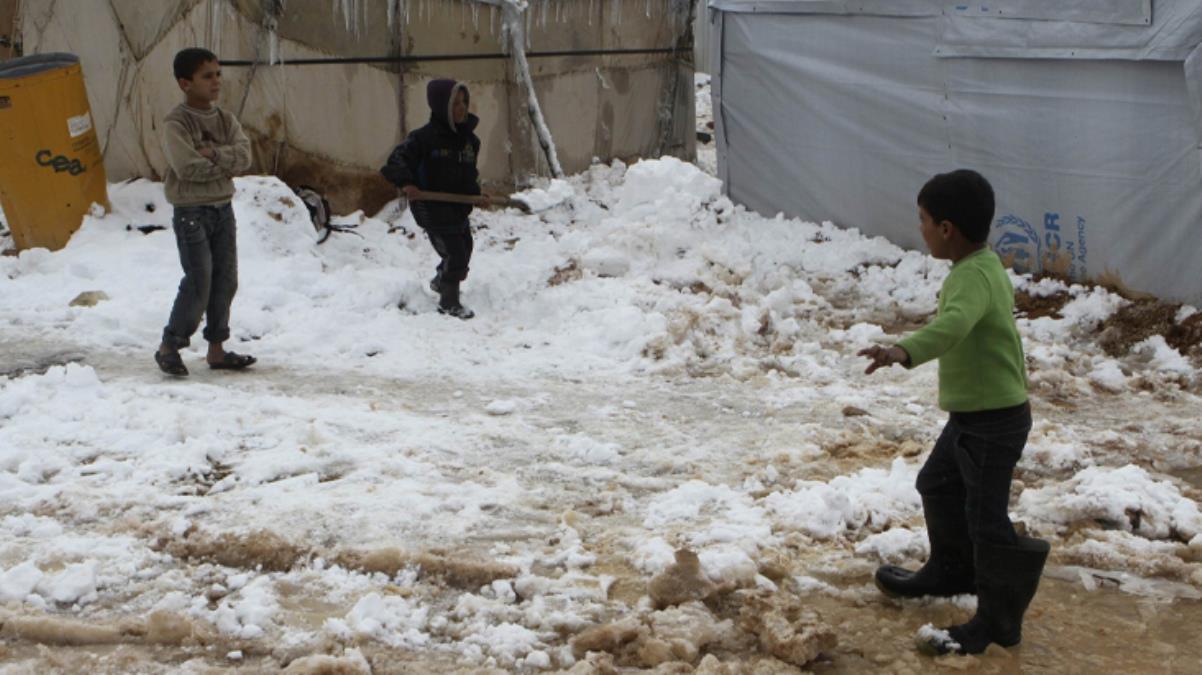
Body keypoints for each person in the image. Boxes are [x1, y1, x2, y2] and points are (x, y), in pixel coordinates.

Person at [858, 169, 1049, 656]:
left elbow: (955, 325)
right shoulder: (982, 267)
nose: (919, 228)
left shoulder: (972, 278)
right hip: (975, 416)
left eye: (923, 220)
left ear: (946, 229)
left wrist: (903, 351)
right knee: (938, 485)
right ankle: (951, 572)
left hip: (993, 422)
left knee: (986, 520)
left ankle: (997, 620)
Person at [155, 47, 255, 376]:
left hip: (221, 209)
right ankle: (170, 345)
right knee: (199, 280)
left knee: (225, 280)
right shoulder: (176, 123)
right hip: (191, 211)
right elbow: (186, 167)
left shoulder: (226, 120)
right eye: (207, 76)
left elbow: (245, 156)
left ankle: (216, 349)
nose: (216, 82)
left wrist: (213, 155)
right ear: (185, 83)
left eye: (217, 74)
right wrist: (223, 162)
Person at [381, 78, 490, 320]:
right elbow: (396, 161)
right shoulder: (423, 139)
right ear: (441, 107)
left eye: (464, 102)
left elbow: (468, 175)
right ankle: (449, 301)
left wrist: (477, 195)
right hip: (431, 206)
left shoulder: (470, 142)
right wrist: (407, 183)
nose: (462, 108)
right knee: (456, 254)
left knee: (465, 248)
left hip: (457, 208)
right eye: (455, 104)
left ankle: (442, 279)